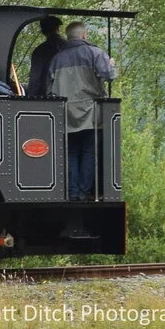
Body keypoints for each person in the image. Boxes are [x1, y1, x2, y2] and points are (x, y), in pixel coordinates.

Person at [50, 21, 119, 200]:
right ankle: (84, 192)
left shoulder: (57, 58)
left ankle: (72, 193)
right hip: (90, 110)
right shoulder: (94, 53)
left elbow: (49, 86)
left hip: (66, 112)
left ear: (68, 36)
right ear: (84, 35)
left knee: (71, 152)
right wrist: (111, 64)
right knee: (90, 152)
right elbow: (109, 75)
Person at [24, 15, 65, 97]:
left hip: (47, 98)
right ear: (58, 29)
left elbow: (35, 79)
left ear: (43, 31)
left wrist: (31, 98)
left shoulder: (40, 51)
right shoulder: (68, 47)